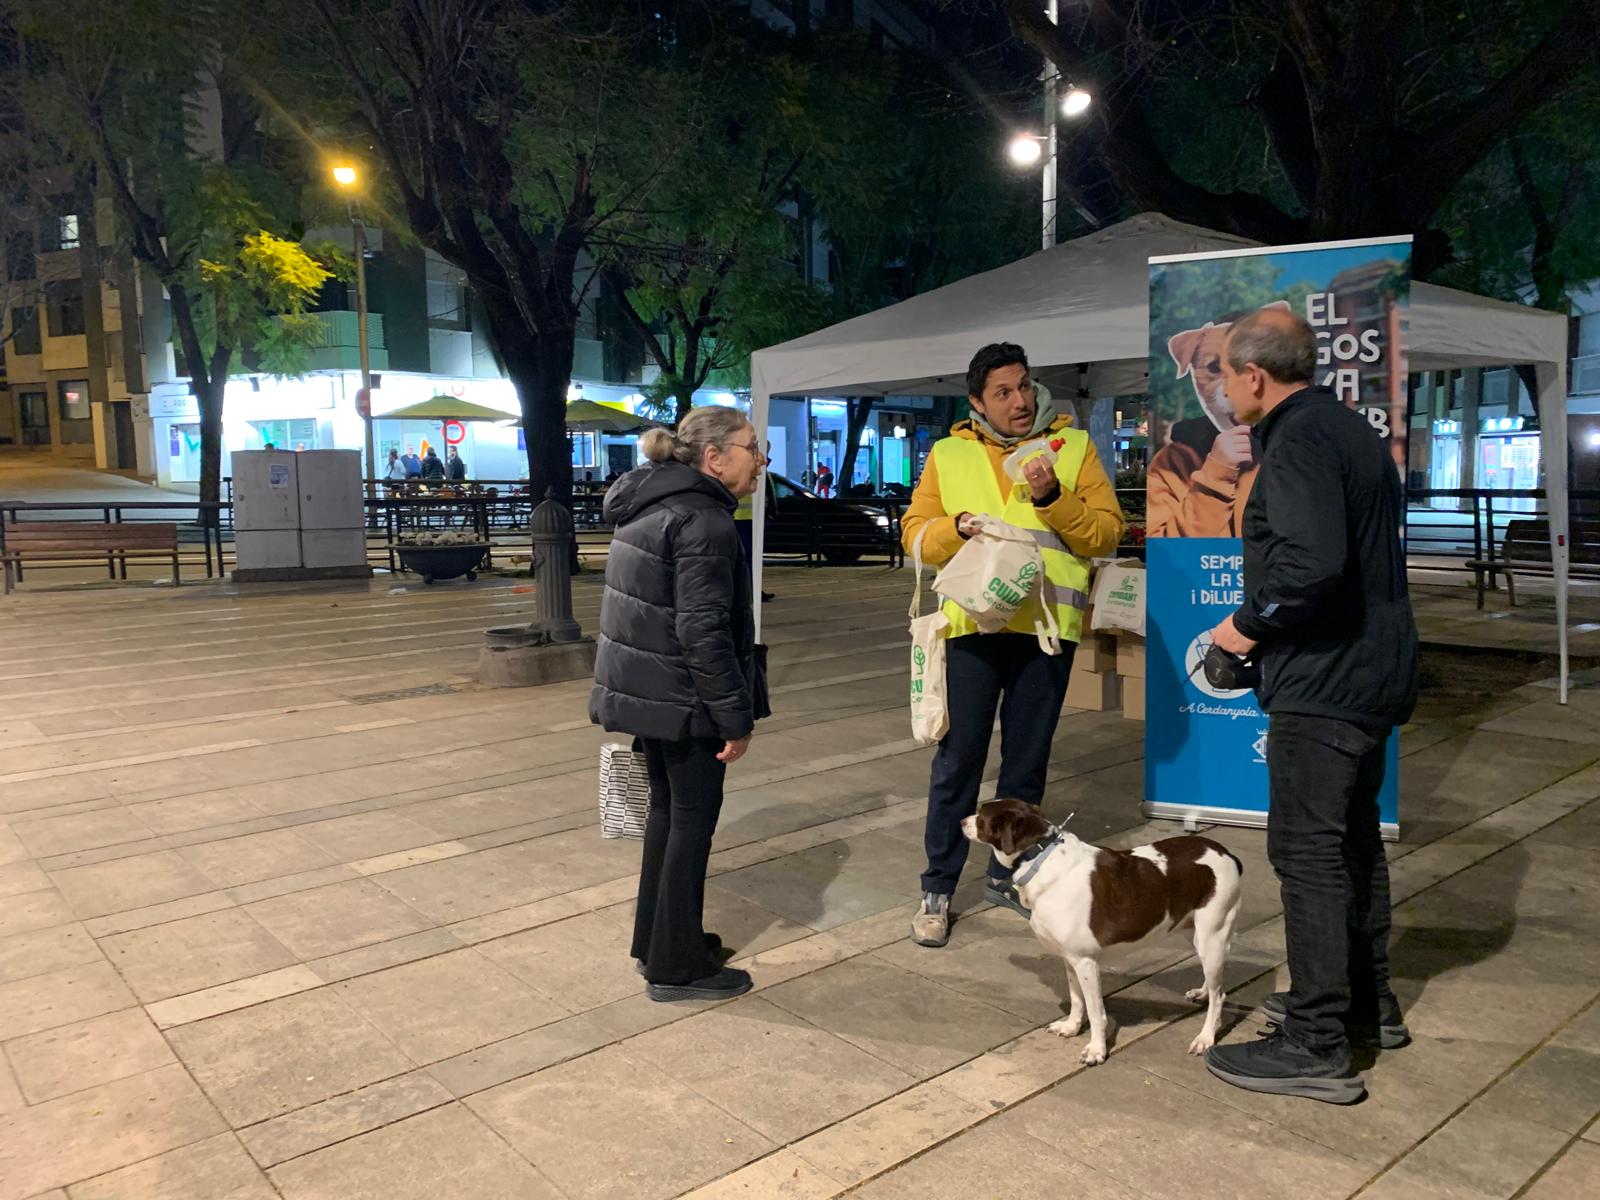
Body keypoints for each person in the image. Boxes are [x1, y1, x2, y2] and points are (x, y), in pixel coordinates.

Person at [1201, 307, 1417, 1105]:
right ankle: (1367, 1007)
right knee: (1353, 842)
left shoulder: (1294, 441)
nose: (1221, 388)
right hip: (1369, 676)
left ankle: (1317, 1039)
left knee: (1309, 854)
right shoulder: (1350, 431)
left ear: (1255, 377)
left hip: (1326, 683)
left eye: (1225, 372)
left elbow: (1309, 566)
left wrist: (1243, 626)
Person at [900, 343, 1124, 947]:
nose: (1020, 400)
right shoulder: (948, 454)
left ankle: (1012, 877)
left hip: (1045, 632)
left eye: (1024, 386)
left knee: (1025, 768)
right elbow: (914, 536)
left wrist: (1054, 497)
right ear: (977, 402)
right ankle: (938, 889)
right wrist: (956, 527)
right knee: (958, 763)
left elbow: (1105, 532)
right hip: (972, 629)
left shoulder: (1071, 447)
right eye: (1003, 392)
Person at [590, 406, 766, 1001]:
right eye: (750, 447)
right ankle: (675, 967)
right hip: (685, 700)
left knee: (667, 820)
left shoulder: (648, 506)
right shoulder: (705, 521)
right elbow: (703, 631)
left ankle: (662, 941)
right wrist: (734, 716)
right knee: (690, 825)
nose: (760, 460)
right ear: (714, 458)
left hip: (648, 695)